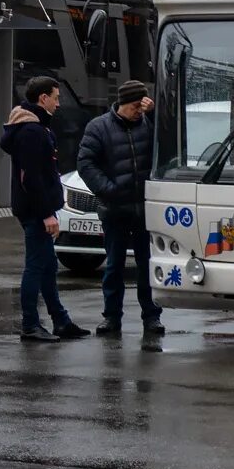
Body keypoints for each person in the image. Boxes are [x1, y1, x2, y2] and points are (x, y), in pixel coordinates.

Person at [2, 76, 89, 342]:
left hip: (36, 210)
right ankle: (30, 324)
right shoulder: (32, 132)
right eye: (56, 97)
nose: (58, 103)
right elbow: (32, 178)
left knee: (48, 266)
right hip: (36, 212)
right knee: (36, 266)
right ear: (43, 98)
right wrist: (46, 214)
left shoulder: (35, 128)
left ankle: (60, 320)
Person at [78, 80, 164, 337]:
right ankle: (111, 317)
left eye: (142, 105)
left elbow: (170, 139)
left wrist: (155, 113)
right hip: (115, 209)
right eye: (136, 106)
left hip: (145, 210)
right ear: (123, 104)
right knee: (114, 265)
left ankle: (152, 317)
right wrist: (109, 190)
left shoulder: (150, 124)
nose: (139, 111)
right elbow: (86, 163)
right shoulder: (99, 127)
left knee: (146, 265)